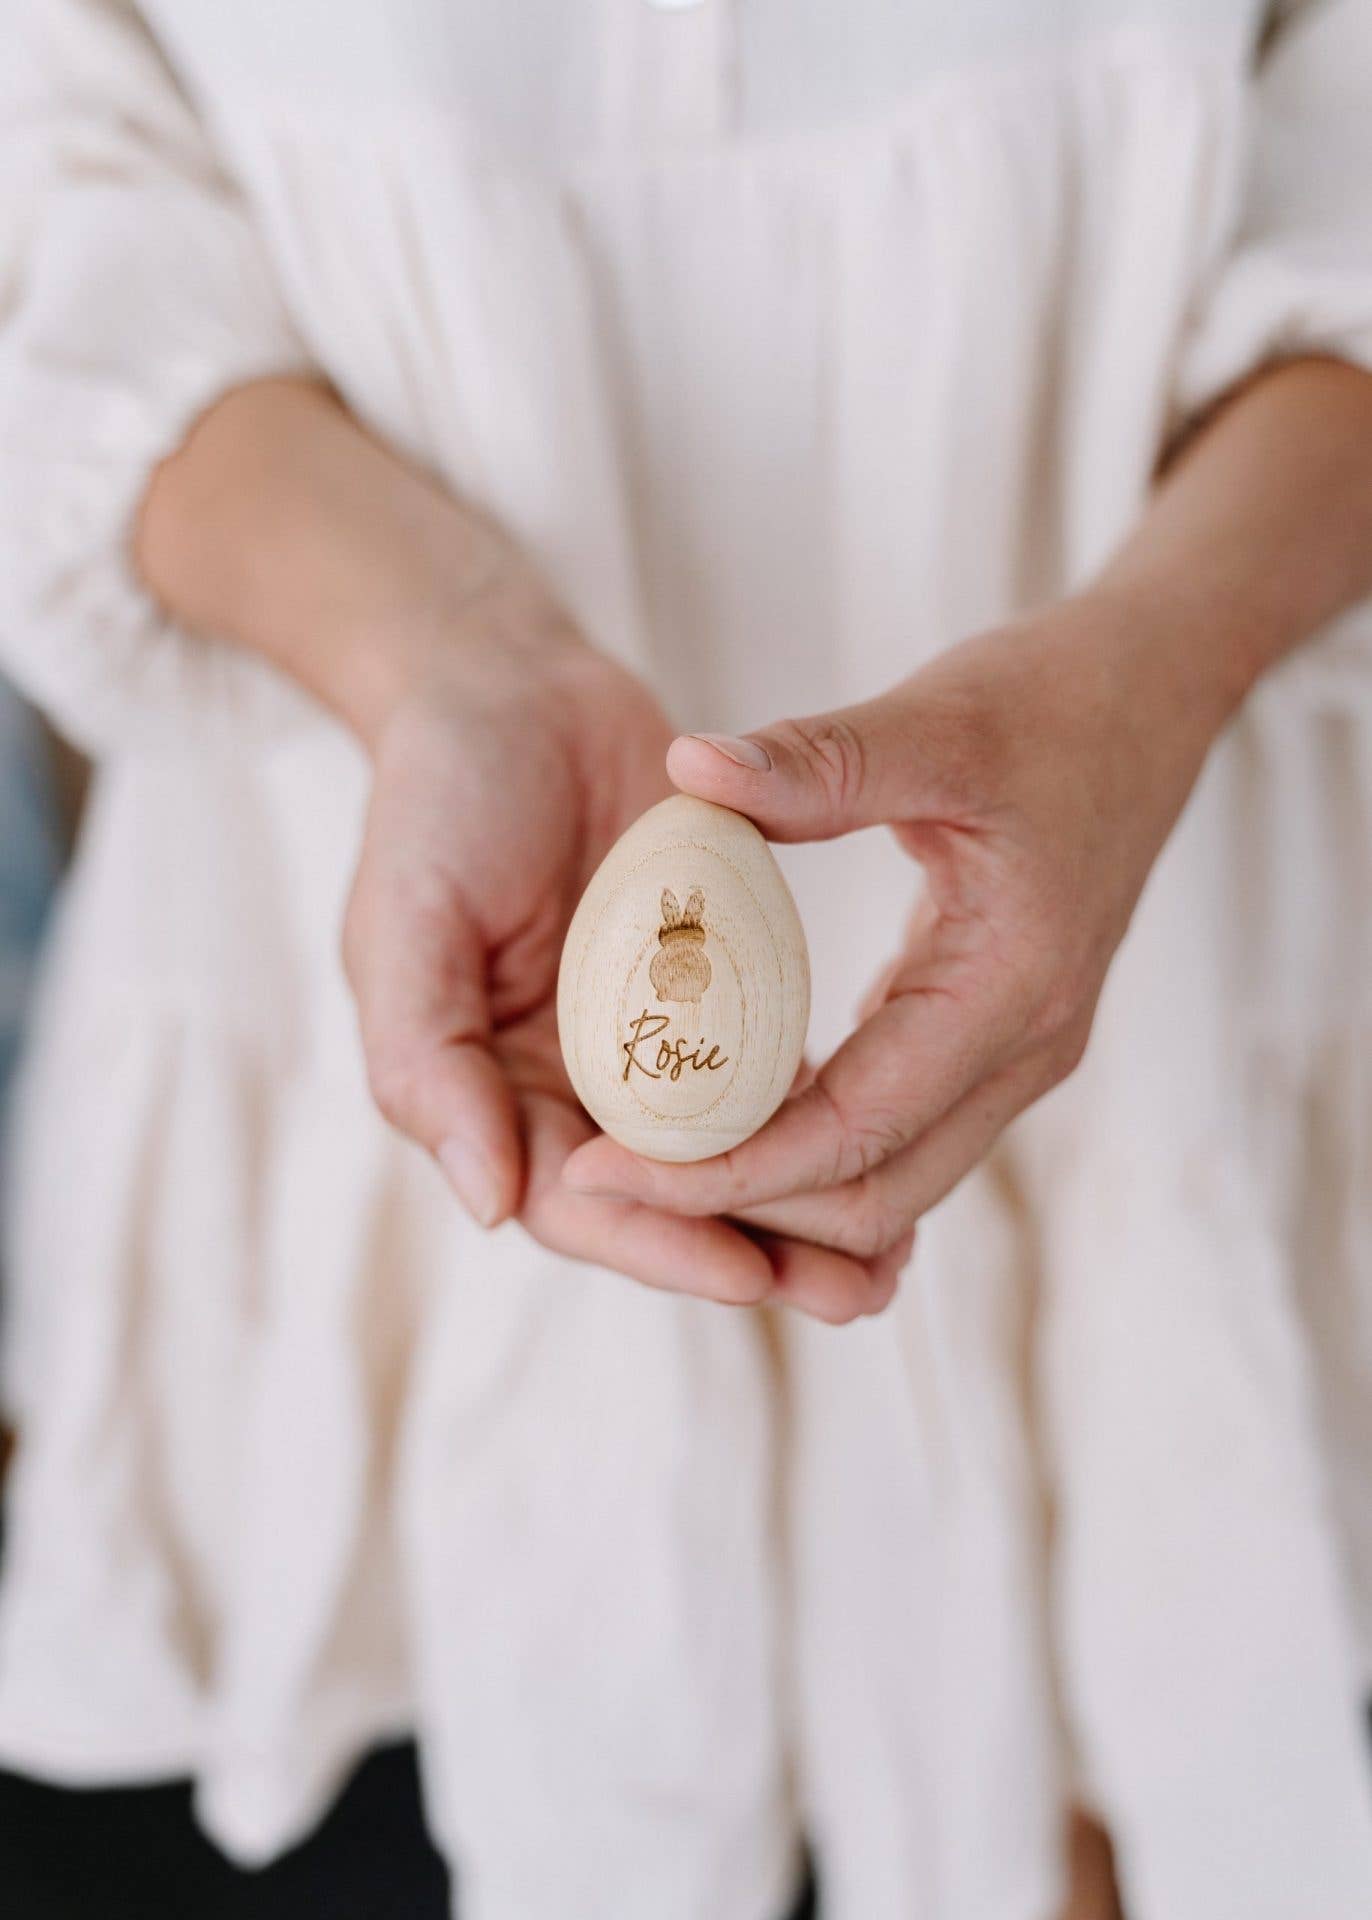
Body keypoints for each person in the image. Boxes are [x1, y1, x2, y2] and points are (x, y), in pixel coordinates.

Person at [1, 2, 1371, 1915]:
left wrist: (1155, 665)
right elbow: (59, 202)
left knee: (1128, 1763)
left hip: (1151, 908)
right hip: (393, 923)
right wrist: (433, 649)